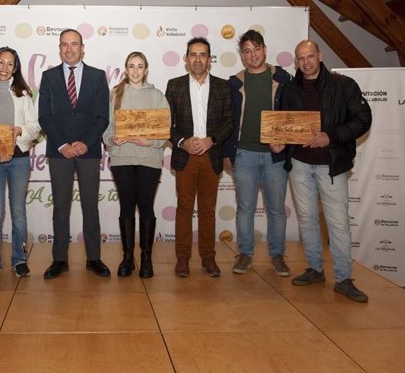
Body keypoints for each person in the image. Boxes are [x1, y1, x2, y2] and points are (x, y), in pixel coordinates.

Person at [271, 40, 371, 302]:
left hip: (331, 165)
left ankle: (344, 278)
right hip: (300, 165)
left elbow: (363, 119)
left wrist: (332, 136)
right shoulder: (290, 89)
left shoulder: (343, 85)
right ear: (296, 61)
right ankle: (315, 269)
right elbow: (284, 123)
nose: (306, 62)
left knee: (338, 223)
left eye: (310, 56)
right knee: (307, 219)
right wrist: (280, 139)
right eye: (301, 58)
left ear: (320, 56)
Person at [38, 29, 111, 279]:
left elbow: (103, 116)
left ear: (82, 47)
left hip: (88, 152)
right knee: (61, 207)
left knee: (91, 206)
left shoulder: (98, 76)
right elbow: (44, 116)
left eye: (74, 44)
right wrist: (62, 145)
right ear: (59, 48)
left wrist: (85, 144)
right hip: (59, 153)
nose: (69, 49)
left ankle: (94, 258)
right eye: (64, 45)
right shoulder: (48, 77)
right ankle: (59, 259)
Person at [222, 30, 292, 277]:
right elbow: (228, 120)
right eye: (247, 51)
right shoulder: (235, 82)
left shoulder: (284, 79)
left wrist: (285, 140)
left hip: (276, 156)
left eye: (256, 49)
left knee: (275, 209)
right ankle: (245, 254)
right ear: (242, 55)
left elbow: (292, 115)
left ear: (265, 49)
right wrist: (227, 152)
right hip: (244, 154)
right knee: (245, 208)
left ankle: (277, 255)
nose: (253, 55)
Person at [165, 37, 233, 278]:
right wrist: (184, 142)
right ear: (185, 60)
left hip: (211, 156)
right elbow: (166, 125)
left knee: (207, 209)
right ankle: (182, 259)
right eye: (192, 54)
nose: (197, 59)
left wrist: (211, 140)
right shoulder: (174, 86)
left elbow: (229, 123)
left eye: (202, 54)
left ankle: (208, 258)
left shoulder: (223, 87)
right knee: (184, 208)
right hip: (185, 157)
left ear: (210, 60)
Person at [0, 47, 40, 281]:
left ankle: (20, 259)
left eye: (10, 64)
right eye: (1, 63)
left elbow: (35, 126)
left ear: (15, 67)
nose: (5, 68)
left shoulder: (23, 93)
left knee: (18, 212)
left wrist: (19, 130)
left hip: (19, 160)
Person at [103, 52, 169, 278]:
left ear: (146, 70)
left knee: (147, 207)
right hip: (122, 158)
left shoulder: (157, 96)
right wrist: (113, 140)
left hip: (149, 159)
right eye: (131, 66)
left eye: (140, 66)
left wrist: (149, 141)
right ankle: (128, 257)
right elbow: (107, 129)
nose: (135, 71)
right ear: (126, 69)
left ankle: (146, 258)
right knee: (126, 207)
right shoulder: (115, 94)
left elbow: (165, 131)